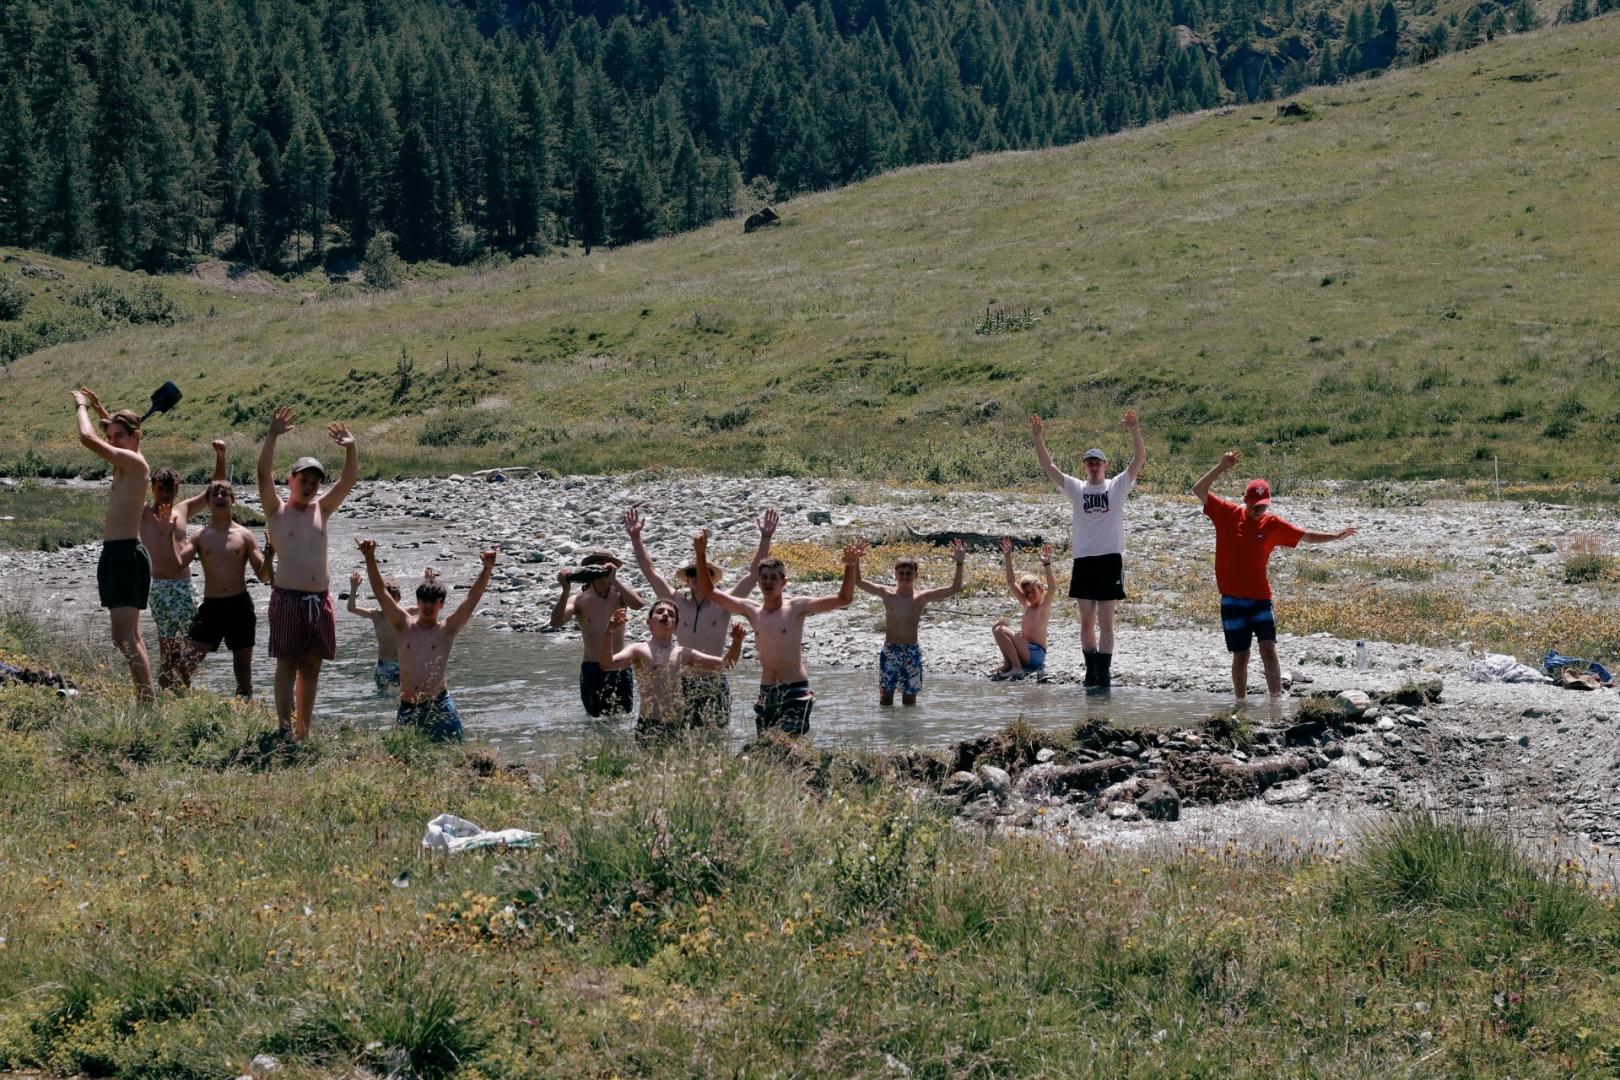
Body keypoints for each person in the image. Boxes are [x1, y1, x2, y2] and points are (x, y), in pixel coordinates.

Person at [1192, 450, 1358, 700]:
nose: (1260, 511)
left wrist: (1335, 536)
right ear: (1245, 501)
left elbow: (1306, 536)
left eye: (1263, 506)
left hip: (1260, 598)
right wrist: (1221, 466)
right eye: (1255, 506)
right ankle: (1240, 704)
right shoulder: (1226, 513)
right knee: (1241, 655)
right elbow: (1198, 489)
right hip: (1232, 599)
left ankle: (1276, 701)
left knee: (1268, 648)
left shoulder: (1272, 524)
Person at [691, 529, 863, 737]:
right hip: (767, 691)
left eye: (774, 578)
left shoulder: (797, 608)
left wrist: (850, 566)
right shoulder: (752, 611)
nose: (768, 582)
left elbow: (844, 599)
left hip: (795, 689)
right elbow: (710, 592)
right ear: (758, 582)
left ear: (784, 582)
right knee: (766, 745)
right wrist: (700, 553)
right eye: (764, 578)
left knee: (787, 739)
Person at [623, 506, 777, 728]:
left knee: (717, 734)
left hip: (715, 679)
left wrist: (765, 538)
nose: (696, 577)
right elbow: (651, 572)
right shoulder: (676, 604)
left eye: (702, 573)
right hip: (684, 681)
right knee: (683, 735)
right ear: (686, 580)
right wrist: (636, 537)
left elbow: (753, 576)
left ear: (711, 578)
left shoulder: (723, 604)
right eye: (691, 574)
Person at [258, 406, 358, 739]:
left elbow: (348, 481)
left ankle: (303, 730)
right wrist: (271, 436)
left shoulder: (322, 509)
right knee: (287, 664)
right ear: (291, 480)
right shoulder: (276, 510)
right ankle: (284, 728)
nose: (310, 487)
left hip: (320, 600)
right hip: (287, 597)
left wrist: (351, 448)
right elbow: (262, 474)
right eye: (304, 480)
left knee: (312, 667)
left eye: (315, 483)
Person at [1031, 411, 1145, 690]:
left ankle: (1103, 674)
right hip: (1083, 560)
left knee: (1106, 622)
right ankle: (1090, 671)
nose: (1094, 467)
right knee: (1086, 622)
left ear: (1105, 465)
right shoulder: (1077, 488)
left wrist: (1134, 429)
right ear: (1085, 467)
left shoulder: (1117, 486)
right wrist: (1037, 437)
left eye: (1097, 463)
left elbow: (1138, 460)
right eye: (1089, 463)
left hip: (1109, 560)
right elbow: (1048, 466)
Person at [357, 539, 496, 741]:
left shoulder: (447, 630)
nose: (428, 606)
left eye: (434, 602)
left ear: (442, 604)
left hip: (439, 705)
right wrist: (370, 557)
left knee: (451, 754)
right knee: (405, 758)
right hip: (407, 706)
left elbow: (471, 599)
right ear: (418, 602)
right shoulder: (403, 625)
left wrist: (487, 569)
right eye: (424, 601)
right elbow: (381, 592)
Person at [72, 388, 155, 704]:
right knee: (131, 636)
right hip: (119, 553)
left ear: (136, 437)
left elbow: (87, 438)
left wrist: (80, 406)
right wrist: (99, 409)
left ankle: (147, 704)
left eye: (120, 436)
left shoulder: (134, 463)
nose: (113, 441)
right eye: (111, 436)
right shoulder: (126, 462)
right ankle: (147, 701)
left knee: (122, 638)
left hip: (126, 555)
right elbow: (109, 436)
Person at [144, 440, 229, 690]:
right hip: (160, 588)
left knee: (198, 640)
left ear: (177, 489)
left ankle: (179, 684)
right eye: (161, 489)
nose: (165, 494)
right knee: (167, 648)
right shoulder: (144, 513)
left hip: (184, 586)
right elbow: (127, 486)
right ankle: (169, 691)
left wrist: (220, 456)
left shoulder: (181, 510)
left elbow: (214, 489)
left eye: (170, 489)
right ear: (152, 488)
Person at [598, 603, 746, 743]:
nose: (665, 615)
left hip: (678, 725)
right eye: (660, 612)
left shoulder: (684, 653)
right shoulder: (638, 649)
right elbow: (607, 664)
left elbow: (726, 665)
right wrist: (609, 633)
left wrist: (737, 642)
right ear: (649, 622)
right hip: (649, 724)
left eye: (671, 614)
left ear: (675, 626)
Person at [179, 480, 268, 697]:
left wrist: (270, 555)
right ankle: (184, 704)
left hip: (239, 606)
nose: (219, 497)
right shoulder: (200, 536)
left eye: (224, 494)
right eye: (214, 494)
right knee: (186, 663)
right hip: (211, 607)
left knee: (243, 670)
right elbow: (178, 564)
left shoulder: (245, 535)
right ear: (208, 502)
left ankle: (244, 708)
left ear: (233, 500)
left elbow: (263, 576)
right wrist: (166, 536)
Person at [857, 539, 966, 706]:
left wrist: (959, 563)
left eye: (909, 573)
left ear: (916, 575)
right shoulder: (887, 594)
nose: (905, 576)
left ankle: (908, 724)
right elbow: (859, 582)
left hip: (911, 651)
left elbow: (954, 589)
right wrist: (855, 560)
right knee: (885, 699)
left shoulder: (921, 598)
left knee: (909, 701)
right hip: (890, 650)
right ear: (895, 574)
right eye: (901, 573)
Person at [549, 549, 646, 717]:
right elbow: (556, 623)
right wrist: (565, 590)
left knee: (624, 716)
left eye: (605, 563)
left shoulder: (620, 595)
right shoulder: (579, 599)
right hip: (592, 667)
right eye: (597, 563)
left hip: (618, 664)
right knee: (594, 719)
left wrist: (614, 580)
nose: (601, 566)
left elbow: (638, 605)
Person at [990, 538, 1056, 678]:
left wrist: (1047, 564)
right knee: (997, 625)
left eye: (1033, 591)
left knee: (1001, 629)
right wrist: (1008, 557)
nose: (1030, 595)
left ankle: (1016, 667)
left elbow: (1052, 588)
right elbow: (1011, 582)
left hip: (1036, 654)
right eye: (1026, 592)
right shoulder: (1026, 604)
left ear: (1040, 590)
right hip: (1025, 649)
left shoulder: (1043, 607)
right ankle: (1008, 663)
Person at [348, 570, 404, 691]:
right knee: (382, 697)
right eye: (386, 600)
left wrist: (429, 582)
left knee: (401, 697)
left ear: (398, 599)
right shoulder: (376, 615)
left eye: (392, 599)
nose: (388, 603)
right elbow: (351, 608)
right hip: (382, 665)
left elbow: (424, 607)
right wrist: (354, 588)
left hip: (401, 665)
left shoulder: (404, 614)